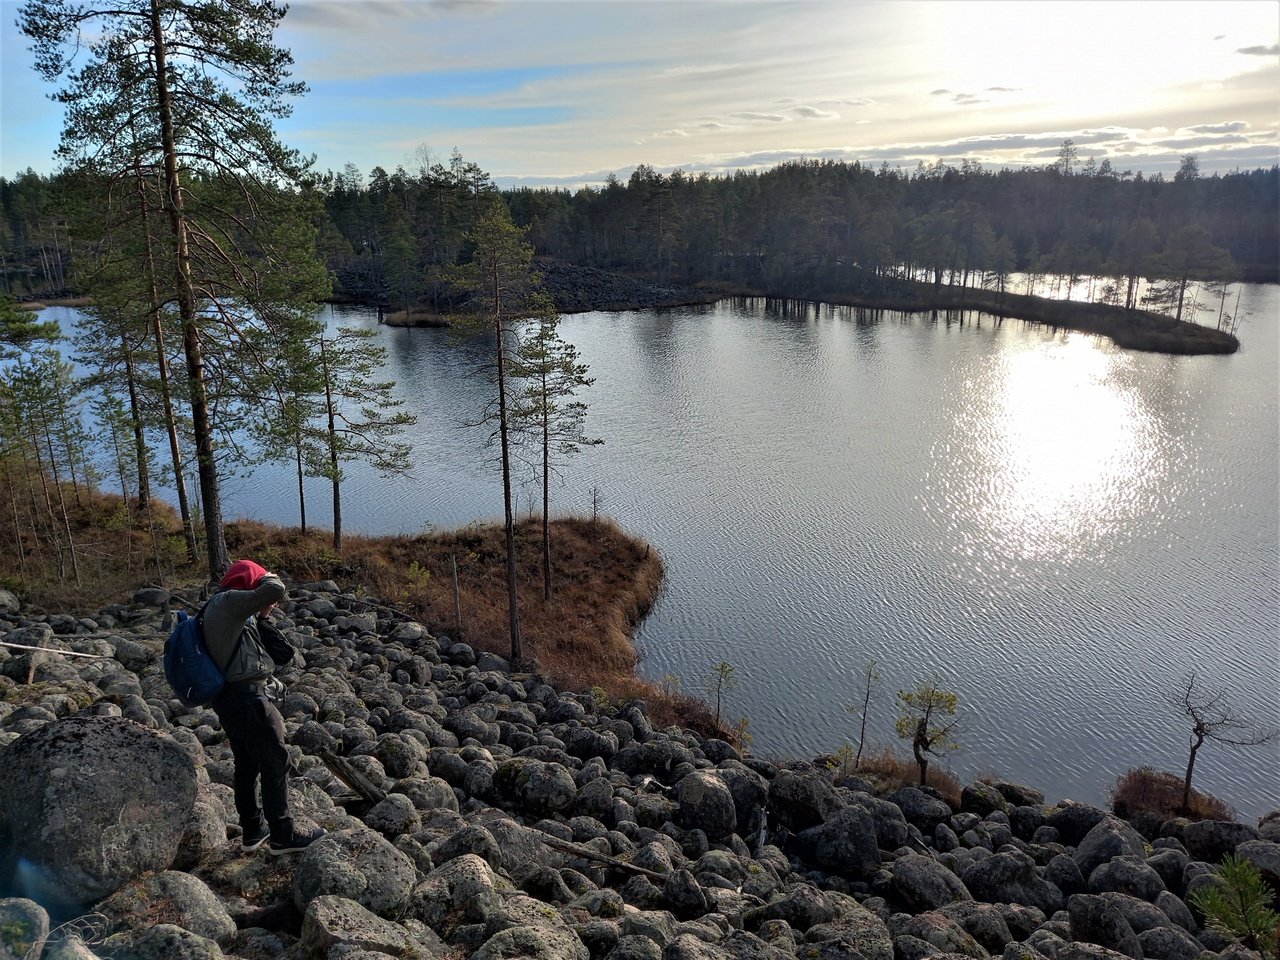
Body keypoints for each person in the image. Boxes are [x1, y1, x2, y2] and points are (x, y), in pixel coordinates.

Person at [204, 558, 324, 855]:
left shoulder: (219, 609)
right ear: (247, 583)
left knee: (247, 765)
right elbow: (276, 589)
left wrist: (263, 616)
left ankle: (253, 831)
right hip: (249, 700)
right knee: (276, 763)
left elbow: (281, 653)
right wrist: (266, 576)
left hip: (230, 700)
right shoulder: (230, 602)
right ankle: (283, 836)